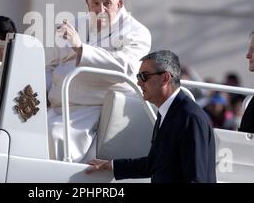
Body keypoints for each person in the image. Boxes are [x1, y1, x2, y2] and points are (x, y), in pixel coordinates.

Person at [47, 0, 151, 162]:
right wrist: (40, 94)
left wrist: (81, 49)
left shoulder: (136, 31)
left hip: (94, 107)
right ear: (87, 4)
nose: (101, 9)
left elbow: (125, 67)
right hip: (56, 105)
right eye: (95, 3)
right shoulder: (74, 25)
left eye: (107, 3)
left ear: (119, 4)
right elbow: (51, 66)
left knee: (54, 135)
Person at [86, 50, 216, 183]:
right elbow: (155, 164)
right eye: (138, 76)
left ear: (165, 78)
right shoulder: (167, 112)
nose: (139, 83)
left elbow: (197, 179)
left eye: (144, 76)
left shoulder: (191, 118)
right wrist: (112, 166)